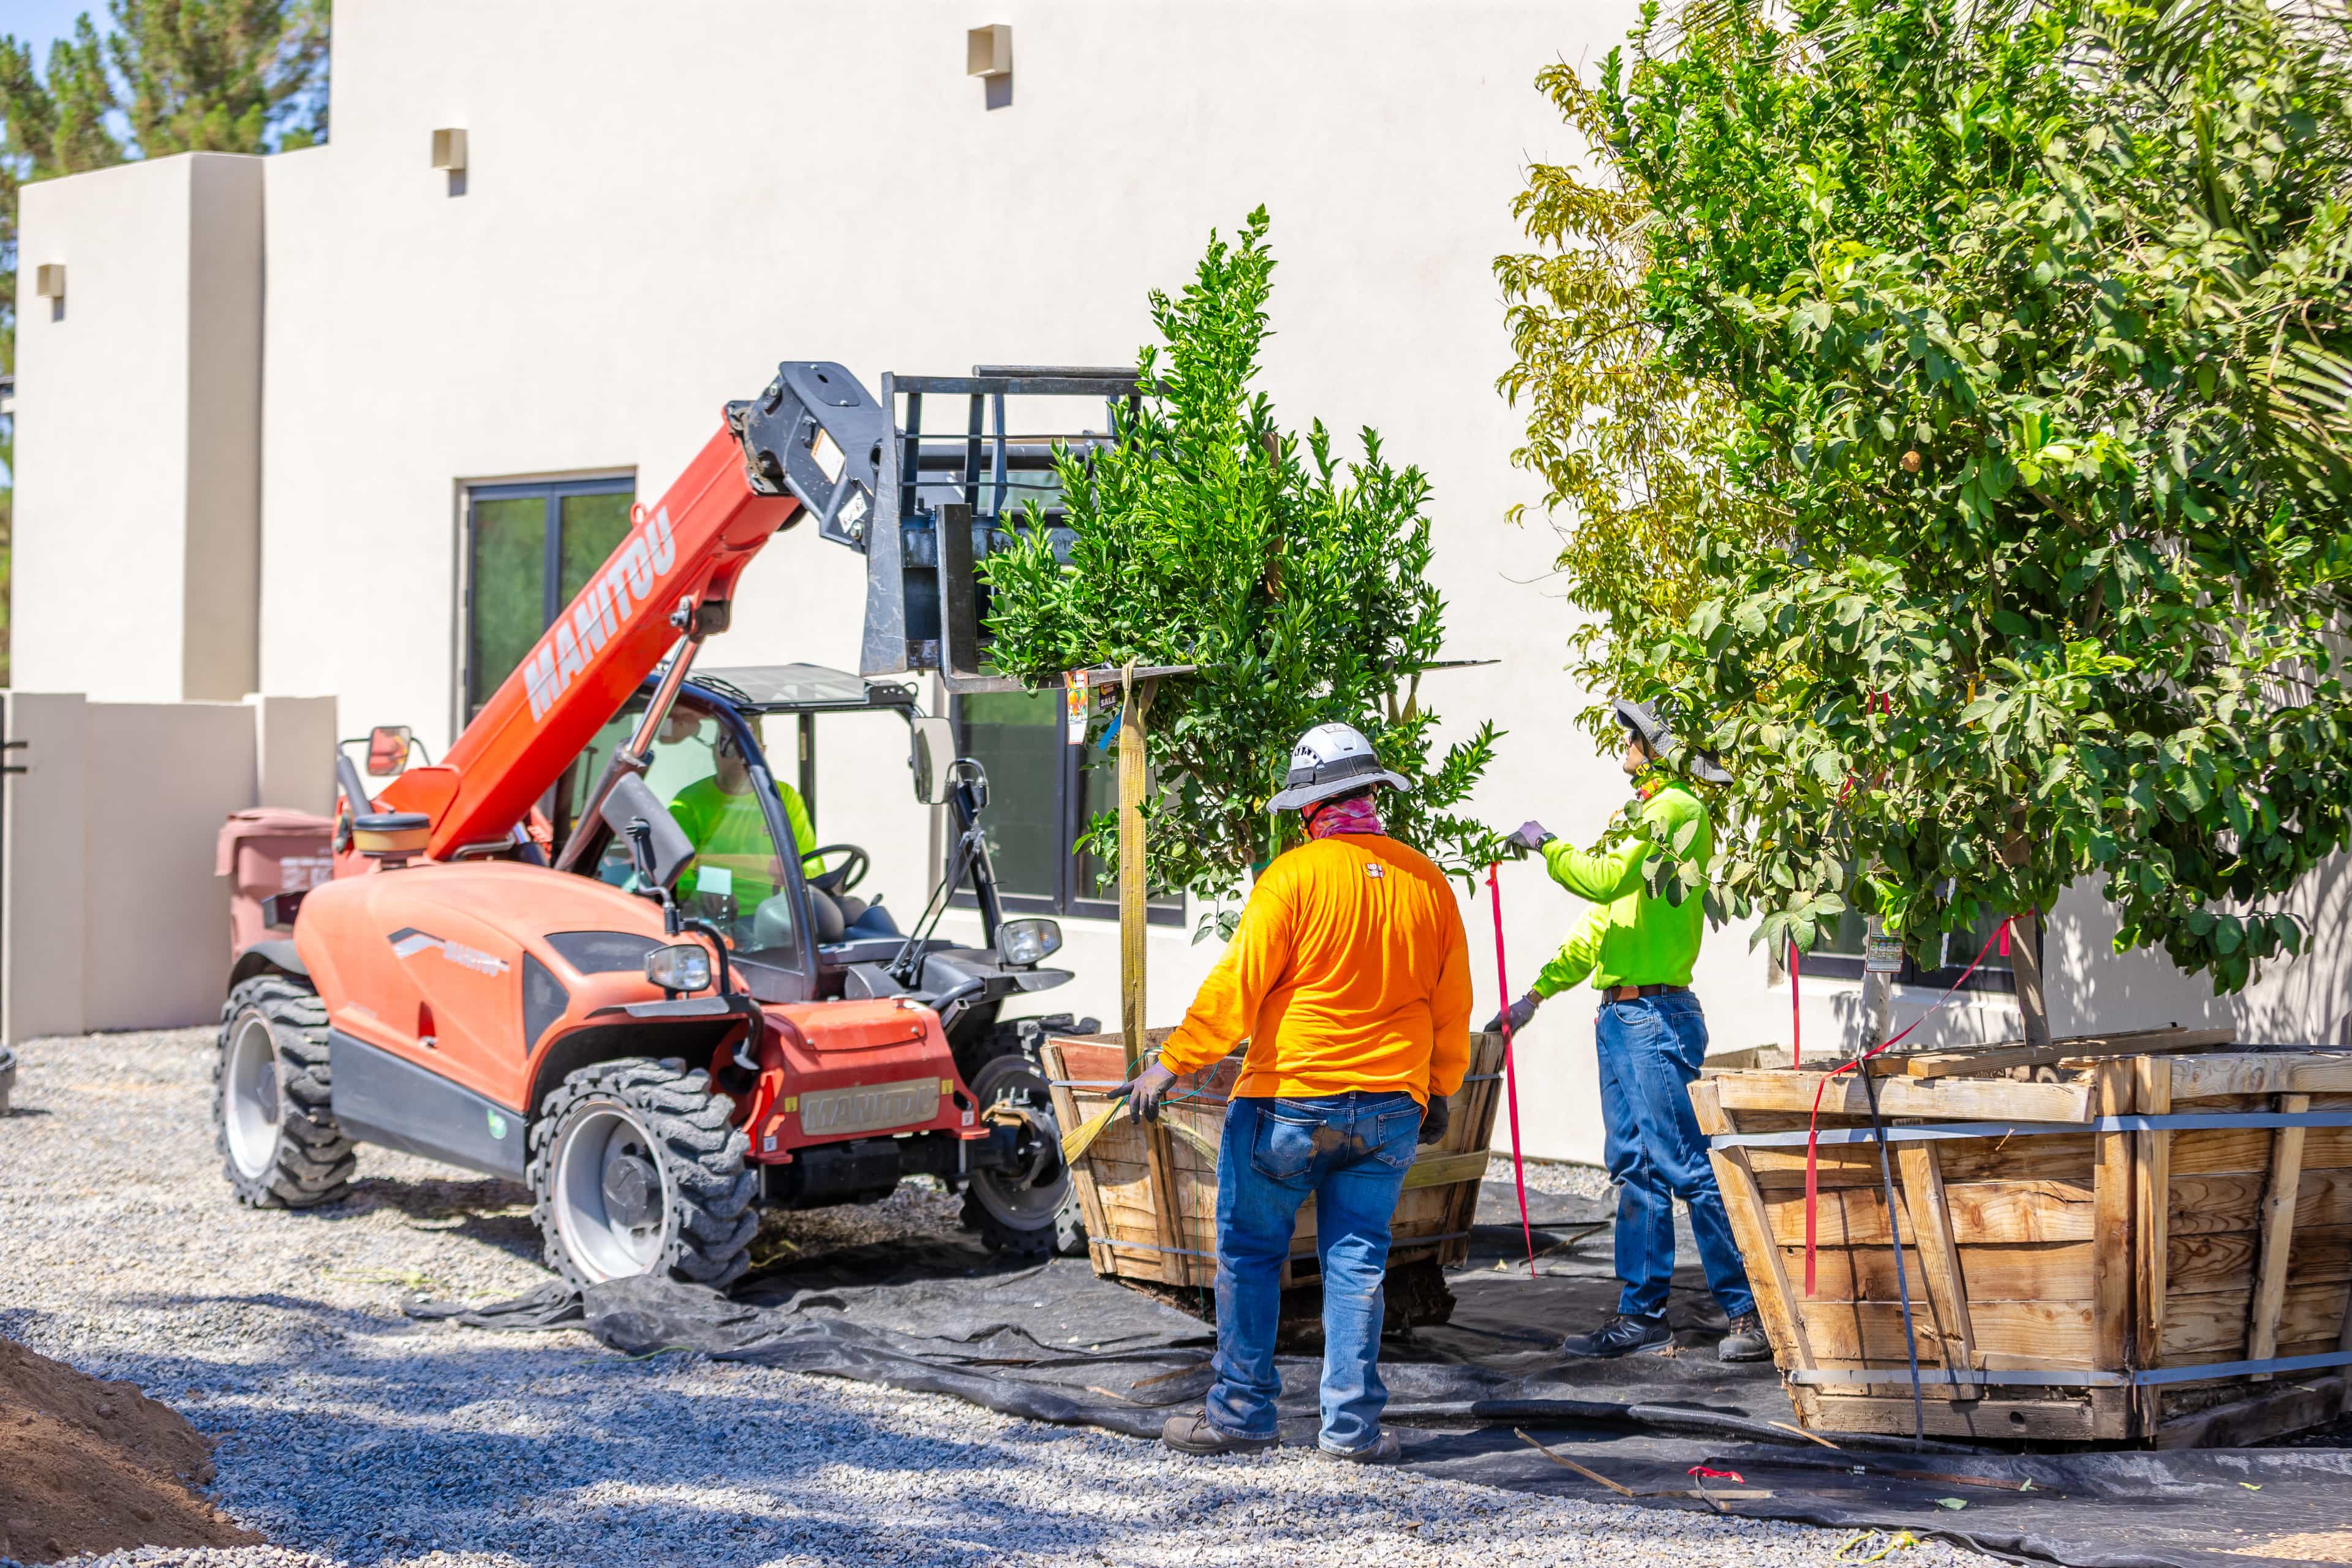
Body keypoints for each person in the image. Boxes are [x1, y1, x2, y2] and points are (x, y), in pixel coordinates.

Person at [1126, 722, 1472, 1463]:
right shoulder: (1427, 882)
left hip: (1290, 1102)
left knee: (1251, 1254)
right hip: (1388, 1111)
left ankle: (1243, 1414)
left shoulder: (1293, 877)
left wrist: (1173, 1064)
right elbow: (1452, 1006)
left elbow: (1238, 984)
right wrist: (1439, 1087)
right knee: (1356, 1261)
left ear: (1313, 808)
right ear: (1373, 794)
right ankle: (1350, 1431)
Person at [1489, 698, 1770, 1363]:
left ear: (1657, 745)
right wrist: (1535, 995)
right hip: (1620, 1015)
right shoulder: (1640, 817)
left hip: (1656, 1017)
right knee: (1635, 1167)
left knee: (1685, 1163)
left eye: (1632, 734)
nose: (1623, 741)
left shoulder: (1673, 809)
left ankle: (1750, 1313)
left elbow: (1603, 878)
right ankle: (1642, 1315)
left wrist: (1547, 844)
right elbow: (1605, 923)